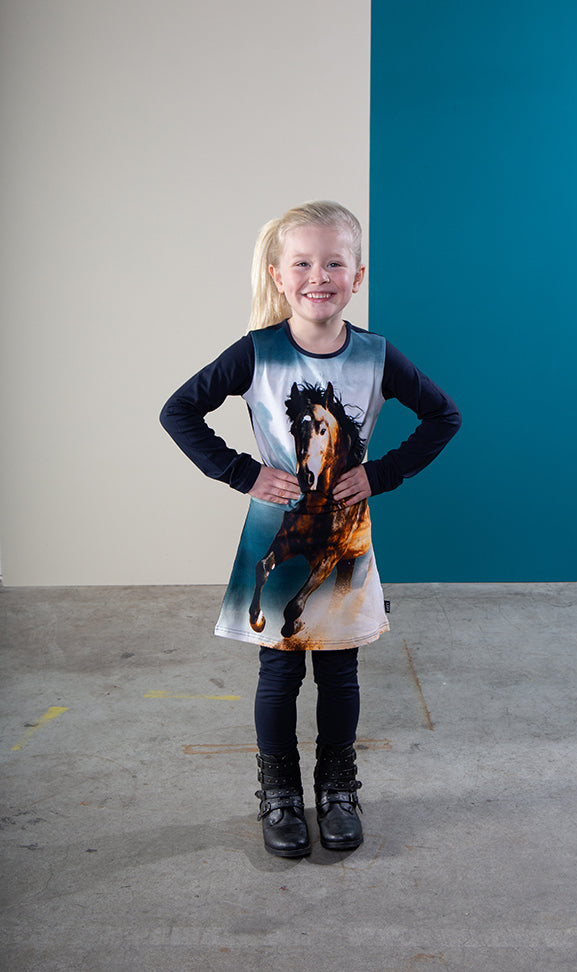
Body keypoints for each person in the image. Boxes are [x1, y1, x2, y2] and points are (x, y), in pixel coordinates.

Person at [160, 200, 461, 858]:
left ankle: (337, 788)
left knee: (340, 672)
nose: (318, 276)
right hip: (276, 524)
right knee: (278, 673)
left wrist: (381, 473)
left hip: (346, 530)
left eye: (334, 263)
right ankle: (278, 791)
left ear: (358, 276)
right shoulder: (257, 353)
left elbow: (444, 416)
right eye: (302, 263)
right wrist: (243, 473)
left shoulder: (376, 355)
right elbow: (178, 411)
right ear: (278, 275)